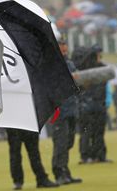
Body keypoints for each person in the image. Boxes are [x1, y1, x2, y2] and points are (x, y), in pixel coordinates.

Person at [51, 39, 82, 185]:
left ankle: (65, 170)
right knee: (61, 143)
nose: (64, 52)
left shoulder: (70, 64)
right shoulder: (52, 64)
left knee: (69, 142)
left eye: (65, 49)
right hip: (59, 111)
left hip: (71, 109)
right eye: (61, 49)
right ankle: (58, 172)